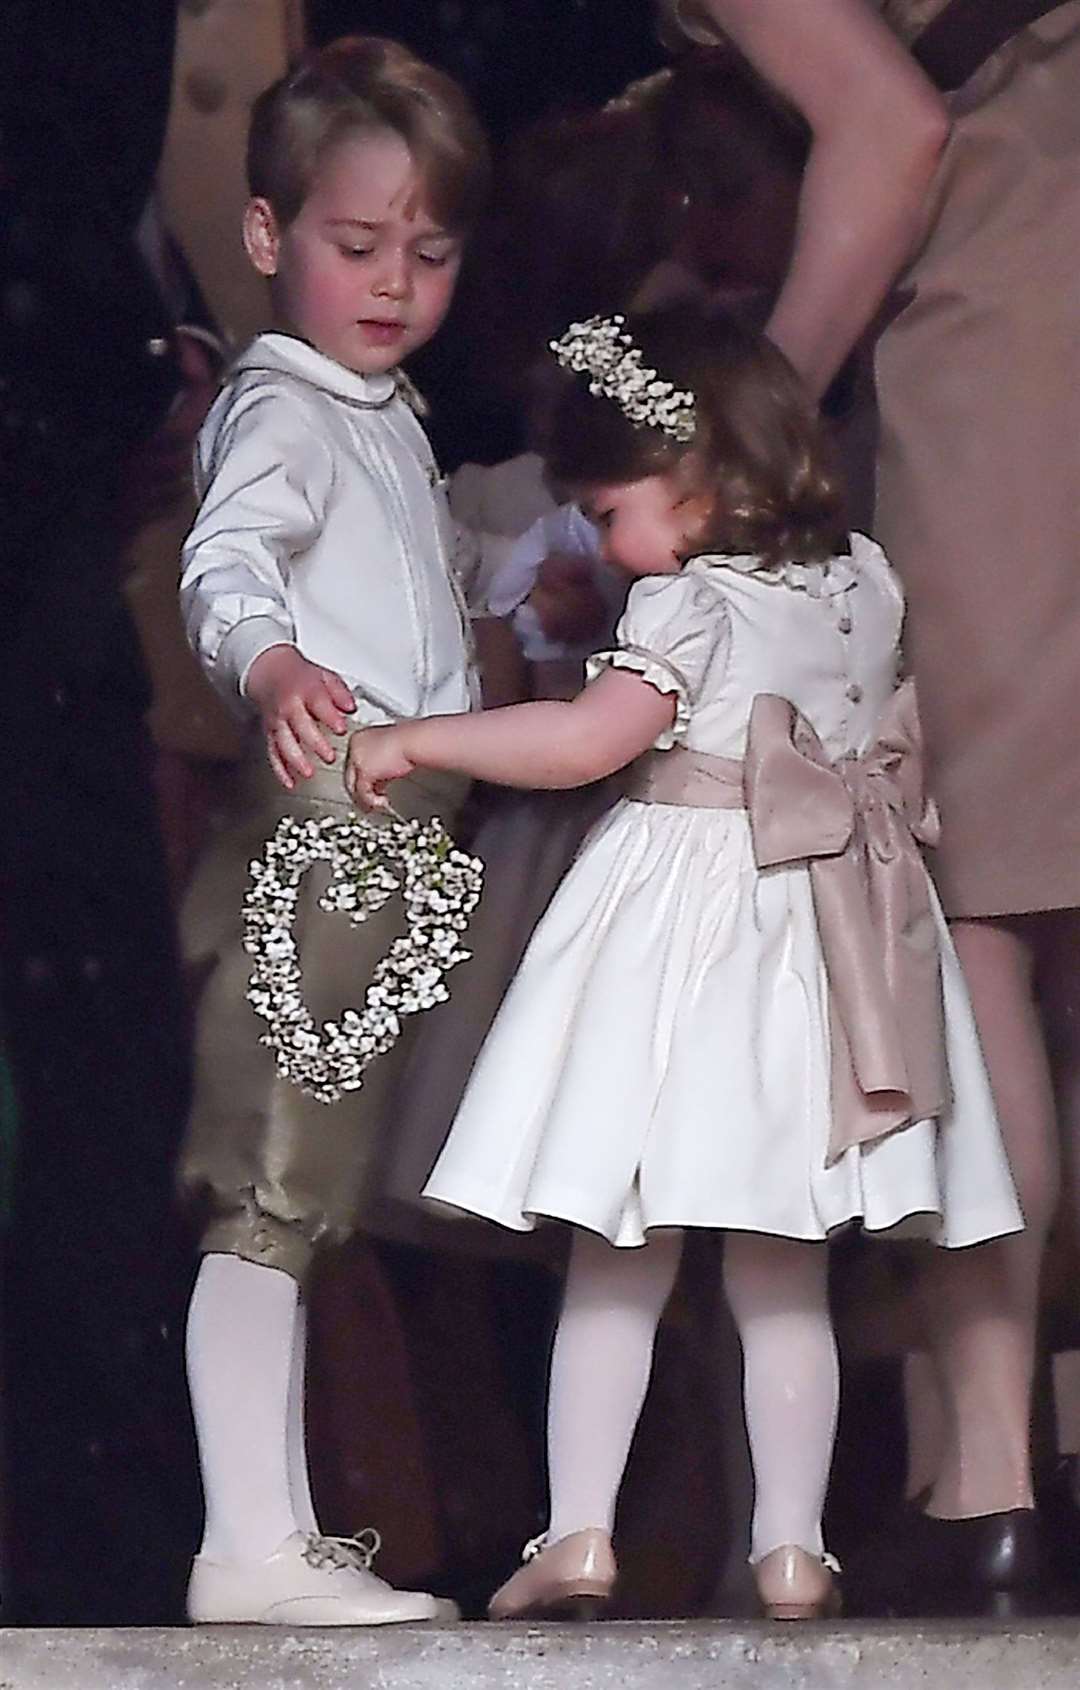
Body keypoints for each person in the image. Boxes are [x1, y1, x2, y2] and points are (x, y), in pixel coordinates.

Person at [345, 302, 1022, 1620]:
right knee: (782, 1264)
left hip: (691, 934)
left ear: (701, 482)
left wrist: (422, 740)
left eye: (610, 509)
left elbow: (585, 742)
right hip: (825, 943)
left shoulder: (687, 603)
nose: (604, 540)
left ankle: (580, 1530)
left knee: (621, 1243)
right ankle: (791, 1546)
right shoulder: (863, 578)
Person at [663, 0, 1080, 1615]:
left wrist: (746, 424)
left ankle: (989, 1475)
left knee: (979, 902)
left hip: (1021, 285)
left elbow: (893, 130)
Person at [176, 35, 489, 1625]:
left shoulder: (384, 409)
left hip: (402, 818)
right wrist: (275, 656)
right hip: (334, 813)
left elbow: (422, 578)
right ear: (266, 236)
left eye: (429, 253)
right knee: (278, 1177)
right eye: (357, 246)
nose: (394, 283)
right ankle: (247, 1536)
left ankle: (277, 1530)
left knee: (325, 1177)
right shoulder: (284, 409)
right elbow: (228, 564)